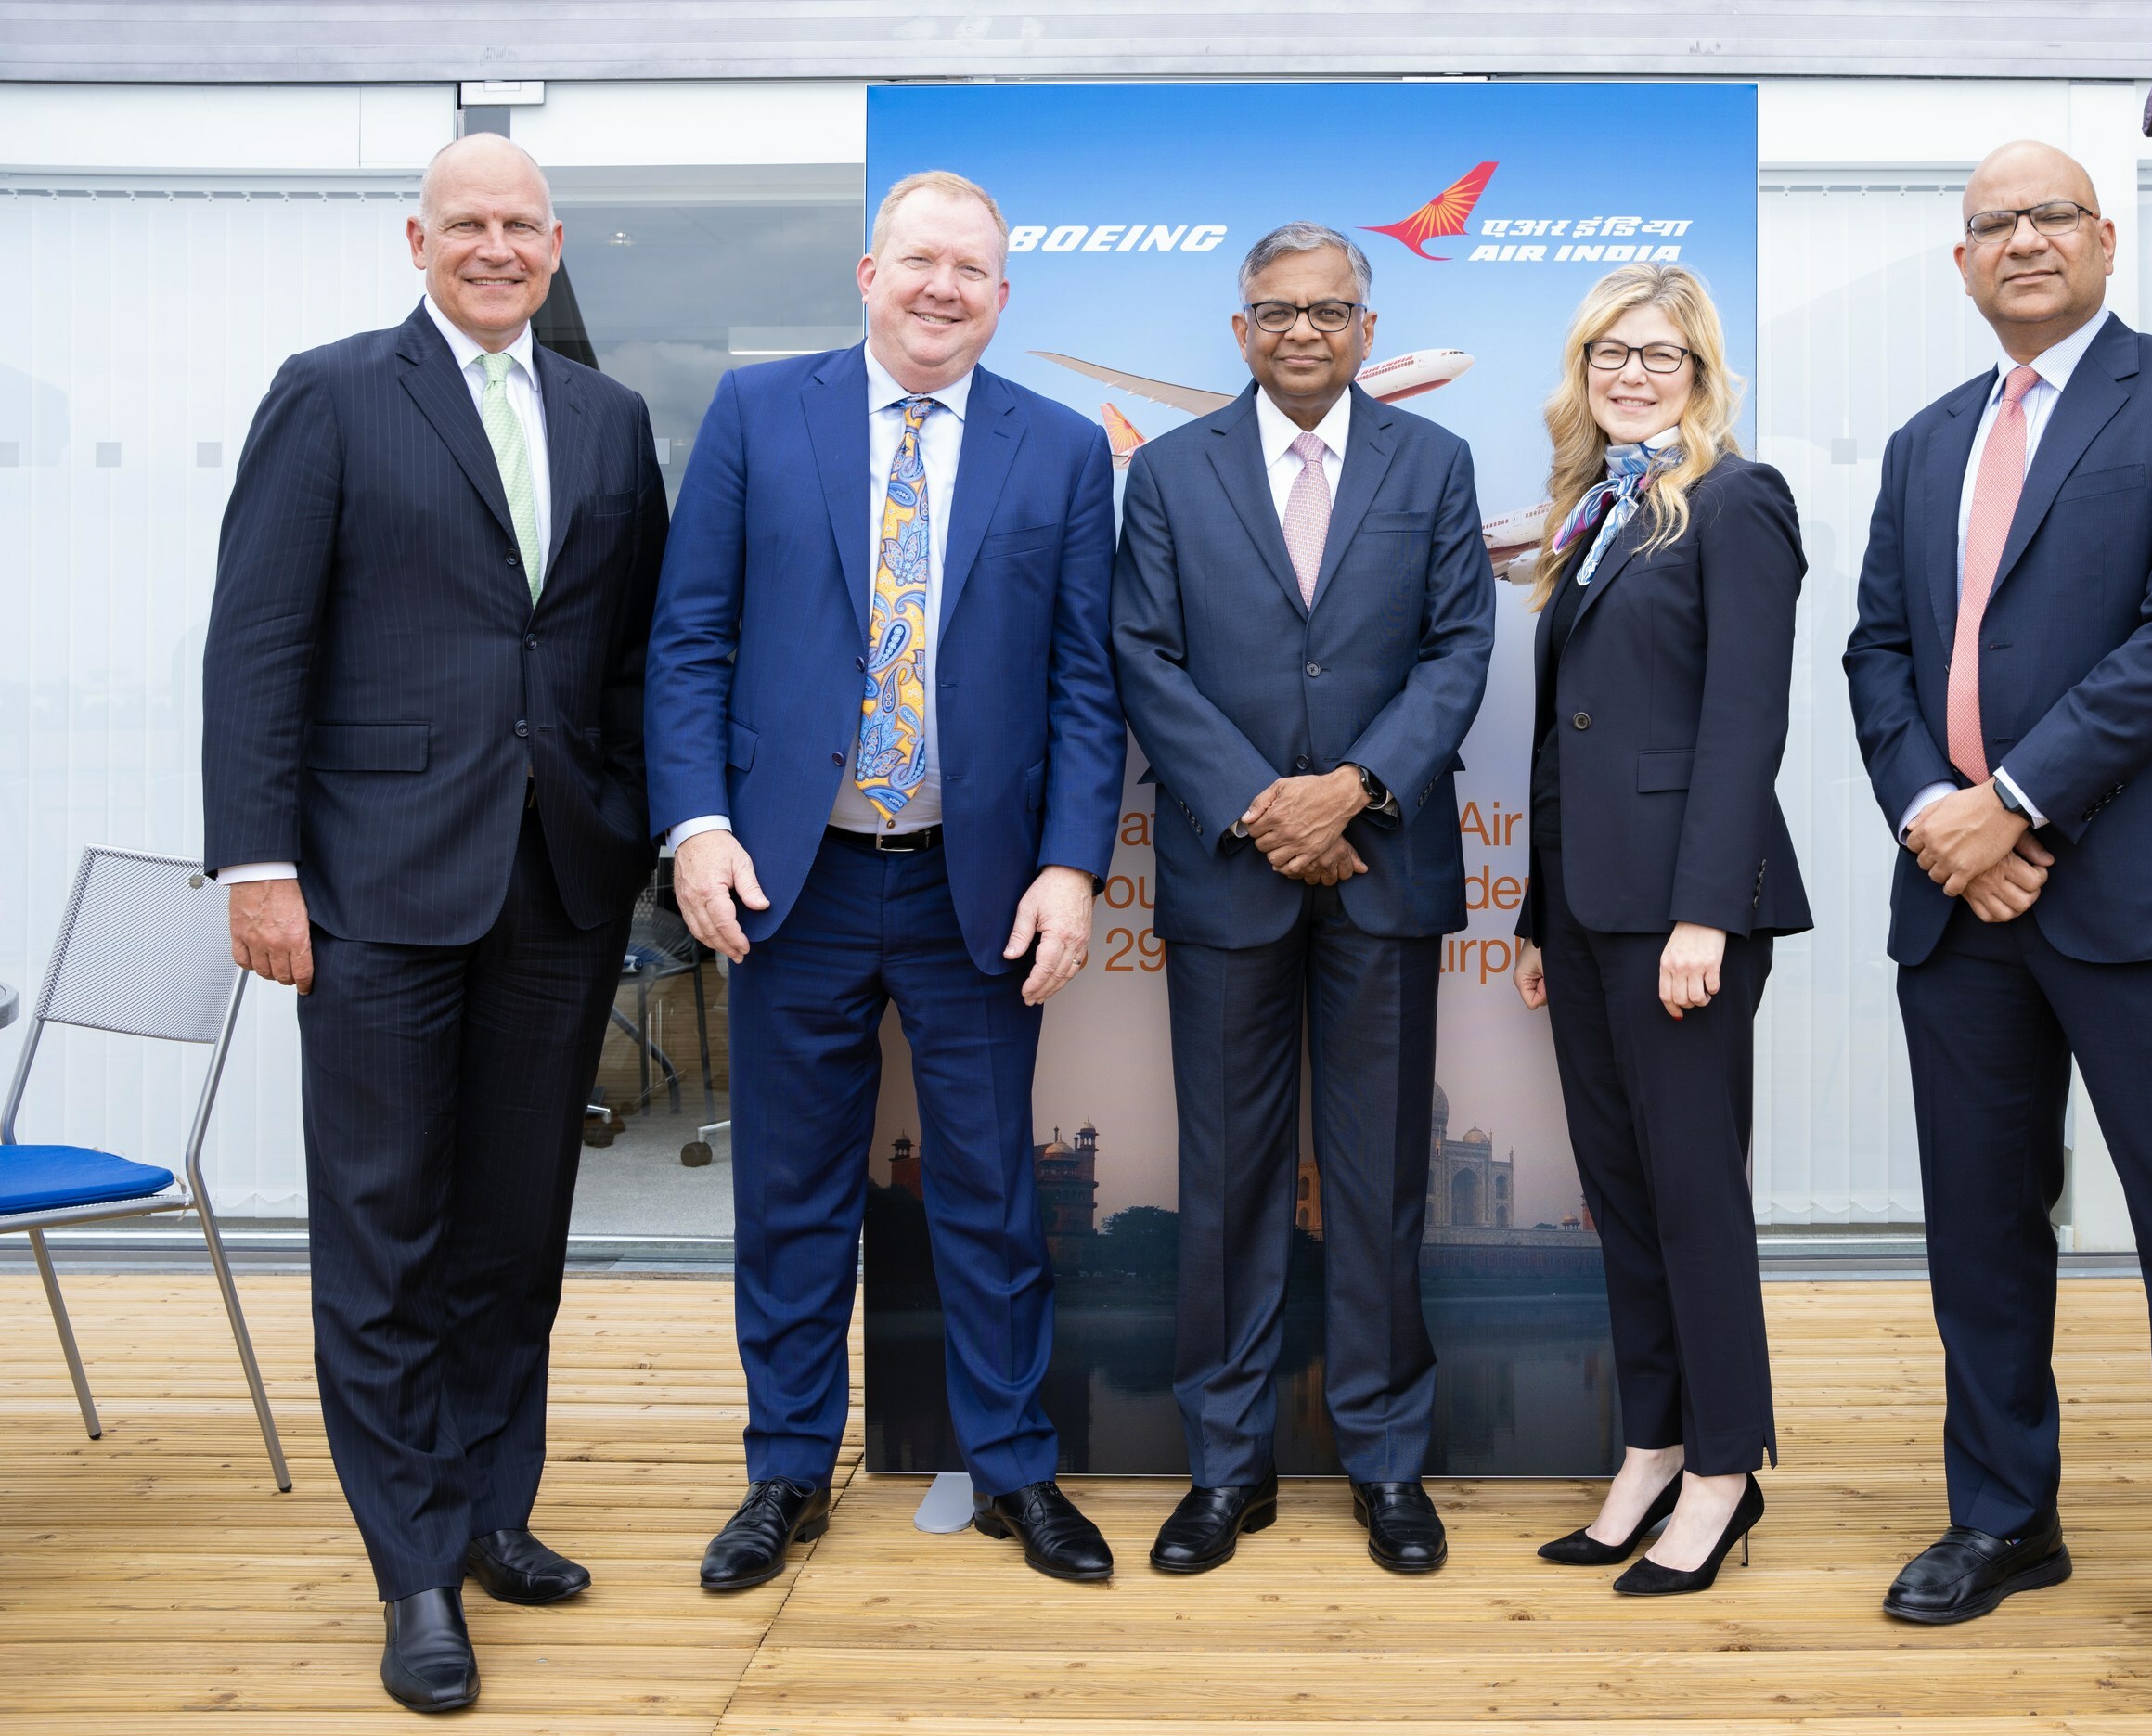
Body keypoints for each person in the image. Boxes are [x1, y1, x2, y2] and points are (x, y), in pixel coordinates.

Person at [1841, 140, 2152, 1708]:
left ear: (2107, 239)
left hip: (2148, 900)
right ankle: (2005, 1517)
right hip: (1958, 904)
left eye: (2052, 214)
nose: (2024, 239)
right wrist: (1941, 818)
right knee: (1980, 1232)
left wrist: (2017, 805)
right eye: (1994, 223)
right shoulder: (1924, 441)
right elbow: (1878, 655)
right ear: (1961, 262)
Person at [201, 134, 668, 1714]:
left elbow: (625, 653)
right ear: (418, 241)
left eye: (520, 224)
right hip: (373, 885)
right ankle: (411, 1570)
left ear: (557, 243)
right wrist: (257, 864)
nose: (494, 247)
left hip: (557, 882)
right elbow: (257, 643)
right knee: (385, 1233)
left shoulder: (607, 417)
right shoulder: (332, 394)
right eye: (465, 223)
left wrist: (638, 826)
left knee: (513, 1229)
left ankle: (487, 1512)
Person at [645, 171, 1126, 1589]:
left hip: (975, 886)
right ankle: (786, 1473)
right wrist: (697, 825)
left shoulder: (1060, 450)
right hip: (791, 882)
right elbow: (689, 638)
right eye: (920, 260)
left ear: (1002, 296)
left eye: (970, 270)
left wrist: (1071, 865)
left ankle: (1015, 1470)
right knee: (791, 1195)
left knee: (990, 1195)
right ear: (869, 273)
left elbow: (1085, 682)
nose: (941, 288)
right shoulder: (756, 413)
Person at [1112, 223, 1494, 1576]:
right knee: (1228, 1181)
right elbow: (1144, 655)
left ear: (1367, 330)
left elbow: (1459, 648)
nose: (1303, 332)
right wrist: (1266, 805)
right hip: (1231, 872)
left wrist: (1353, 790)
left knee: (1383, 1181)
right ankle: (1227, 1469)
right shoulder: (1170, 472)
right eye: (1277, 311)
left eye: (1330, 310)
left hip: (1383, 866)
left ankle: (1387, 1462)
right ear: (1241, 330)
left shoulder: (1434, 463)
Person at [1509, 264, 1810, 1596]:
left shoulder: (1738, 500)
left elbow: (1745, 722)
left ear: (1700, 372)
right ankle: (1653, 1446)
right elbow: (1564, 737)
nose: (1632, 375)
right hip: (1584, 909)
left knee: (1693, 1201)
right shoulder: (1598, 511)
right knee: (1621, 1199)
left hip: (1682, 915)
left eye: (1659, 356)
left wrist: (1705, 912)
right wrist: (1535, 912)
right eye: (1610, 354)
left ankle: (1725, 1470)